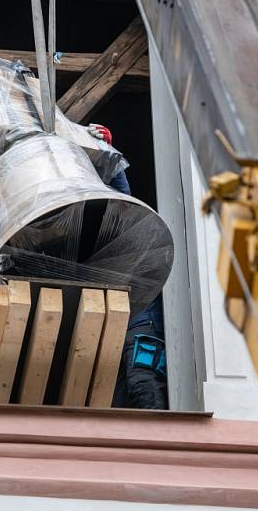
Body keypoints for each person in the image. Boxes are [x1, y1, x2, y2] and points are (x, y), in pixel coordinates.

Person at [89, 123, 168, 410]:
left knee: (142, 382)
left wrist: (105, 148)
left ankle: (161, 441)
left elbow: (121, 194)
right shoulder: (91, 247)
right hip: (114, 327)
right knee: (117, 400)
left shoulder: (126, 229)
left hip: (141, 322)